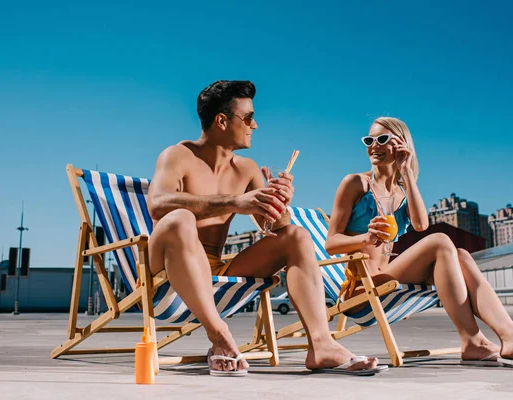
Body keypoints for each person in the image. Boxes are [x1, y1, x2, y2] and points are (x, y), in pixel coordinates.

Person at [146, 80, 380, 376]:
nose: (254, 125)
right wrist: (236, 202)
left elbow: (278, 227)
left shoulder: (246, 169)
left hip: (217, 269)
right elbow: (157, 203)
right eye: (247, 118)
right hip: (166, 268)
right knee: (180, 218)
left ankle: (322, 346)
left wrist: (277, 199)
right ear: (221, 120)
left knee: (297, 236)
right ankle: (219, 336)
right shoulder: (178, 155)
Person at [325, 116, 513, 371]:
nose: (373, 145)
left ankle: (512, 339)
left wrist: (406, 174)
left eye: (382, 139)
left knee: (461, 255)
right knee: (440, 242)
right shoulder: (356, 183)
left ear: (401, 145)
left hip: (388, 279)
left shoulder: (402, 193)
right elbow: (331, 243)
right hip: (362, 291)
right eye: (369, 140)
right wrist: (366, 238)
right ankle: (472, 339)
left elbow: (420, 224)